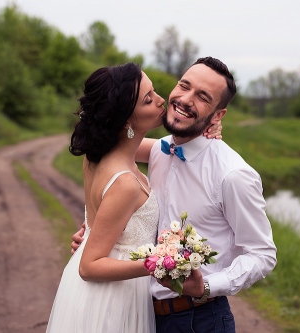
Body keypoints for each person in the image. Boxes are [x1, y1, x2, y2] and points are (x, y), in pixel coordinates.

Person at [72, 57, 277, 333]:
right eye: (184, 85)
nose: (186, 99)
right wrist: (94, 236)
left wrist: (205, 285)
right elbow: (107, 145)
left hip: (197, 318)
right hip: (139, 312)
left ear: (218, 115)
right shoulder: (160, 149)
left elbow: (262, 254)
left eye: (203, 97)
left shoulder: (233, 175)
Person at [45, 62, 164, 333]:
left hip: (89, 291)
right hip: (112, 297)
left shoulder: (97, 154)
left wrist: (208, 135)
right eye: (148, 100)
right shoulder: (125, 183)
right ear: (126, 121)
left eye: (154, 92)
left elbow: (169, 149)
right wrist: (157, 263)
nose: (161, 101)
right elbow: (90, 265)